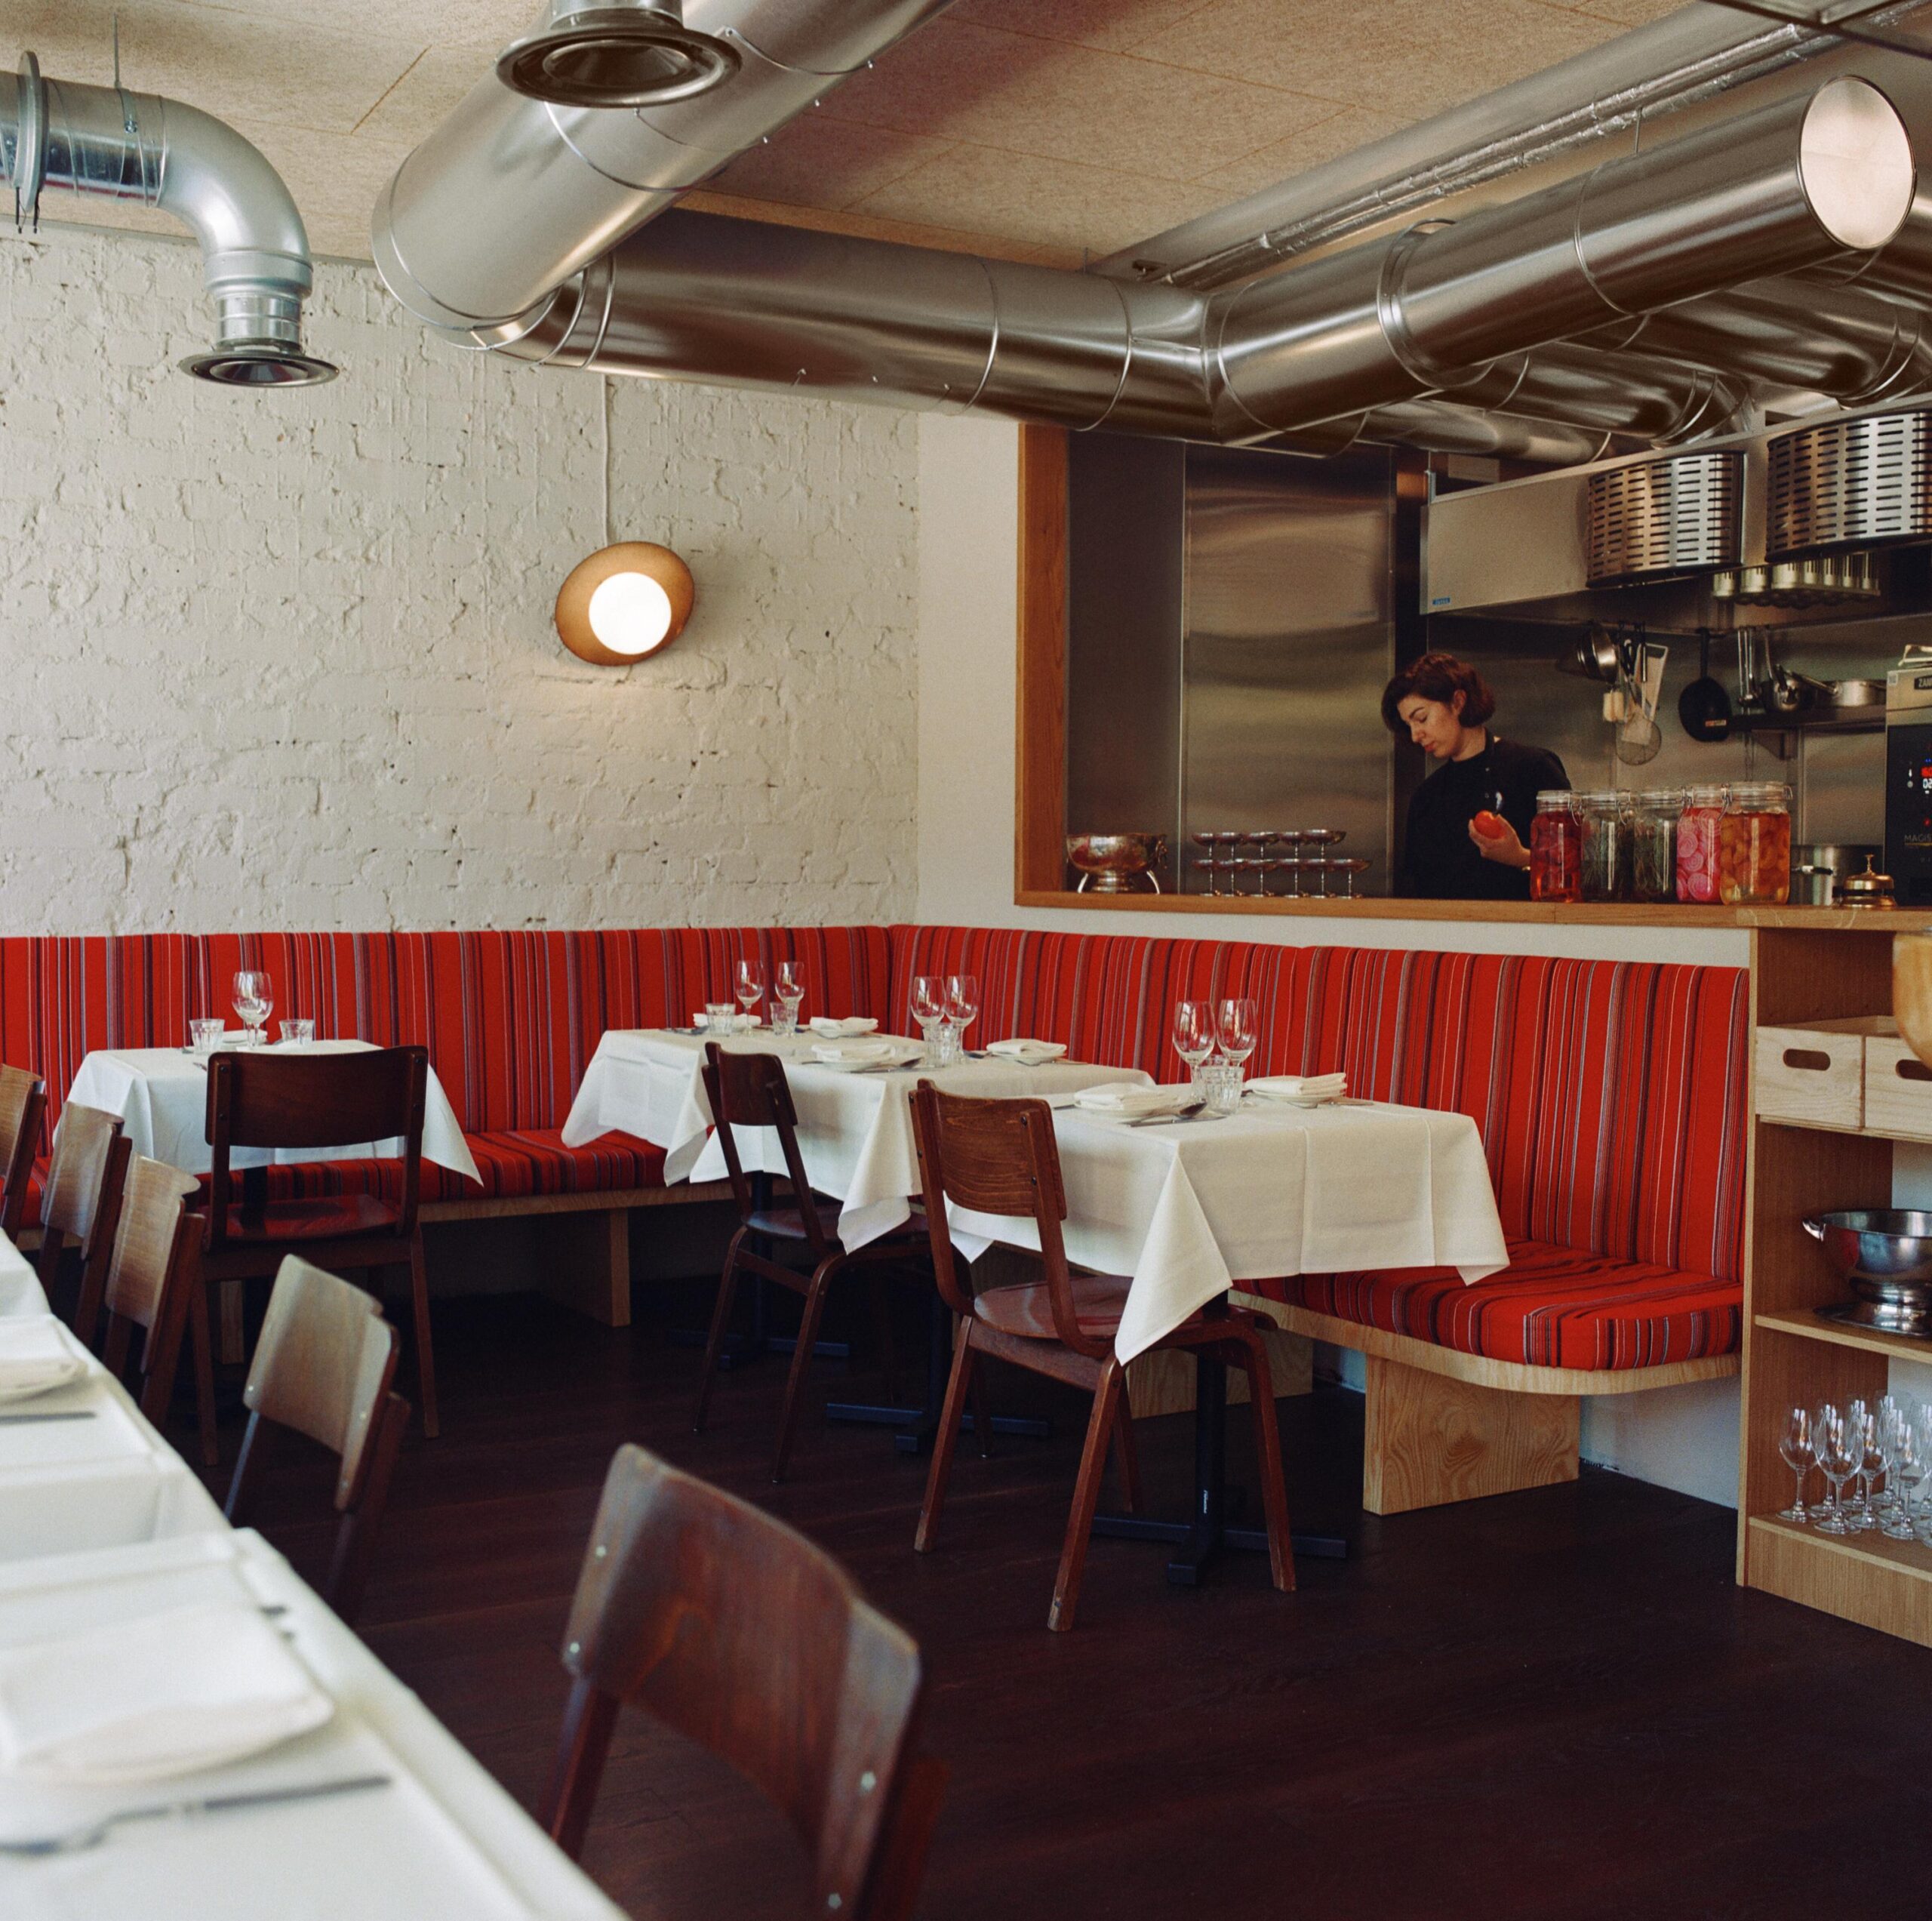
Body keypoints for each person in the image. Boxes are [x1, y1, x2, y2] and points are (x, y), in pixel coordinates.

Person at [1382, 653, 1568, 900]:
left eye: (1422, 718)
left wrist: (1520, 857)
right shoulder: (1426, 797)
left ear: (1458, 701)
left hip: (1528, 935)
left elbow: (1574, 868)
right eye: (1409, 725)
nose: (1416, 735)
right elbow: (1419, 892)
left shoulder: (1534, 768)